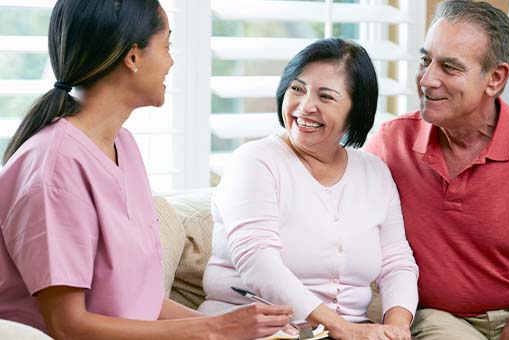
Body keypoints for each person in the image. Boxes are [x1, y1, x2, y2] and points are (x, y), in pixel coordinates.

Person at [0, 1, 293, 339]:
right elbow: (68, 327)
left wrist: (244, 328)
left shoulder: (122, 145)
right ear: (133, 56)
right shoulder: (54, 168)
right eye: (167, 45)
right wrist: (215, 329)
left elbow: (142, 305)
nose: (171, 61)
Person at [364, 0, 509, 339]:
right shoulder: (392, 142)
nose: (427, 79)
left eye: (449, 67)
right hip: (443, 317)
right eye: (425, 60)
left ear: (495, 78)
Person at [199, 38, 419, 340]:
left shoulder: (375, 173)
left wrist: (397, 328)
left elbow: (397, 262)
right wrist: (345, 329)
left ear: (356, 110)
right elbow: (258, 261)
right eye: (297, 89)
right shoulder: (255, 161)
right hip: (258, 331)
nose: (304, 107)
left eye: (325, 97)